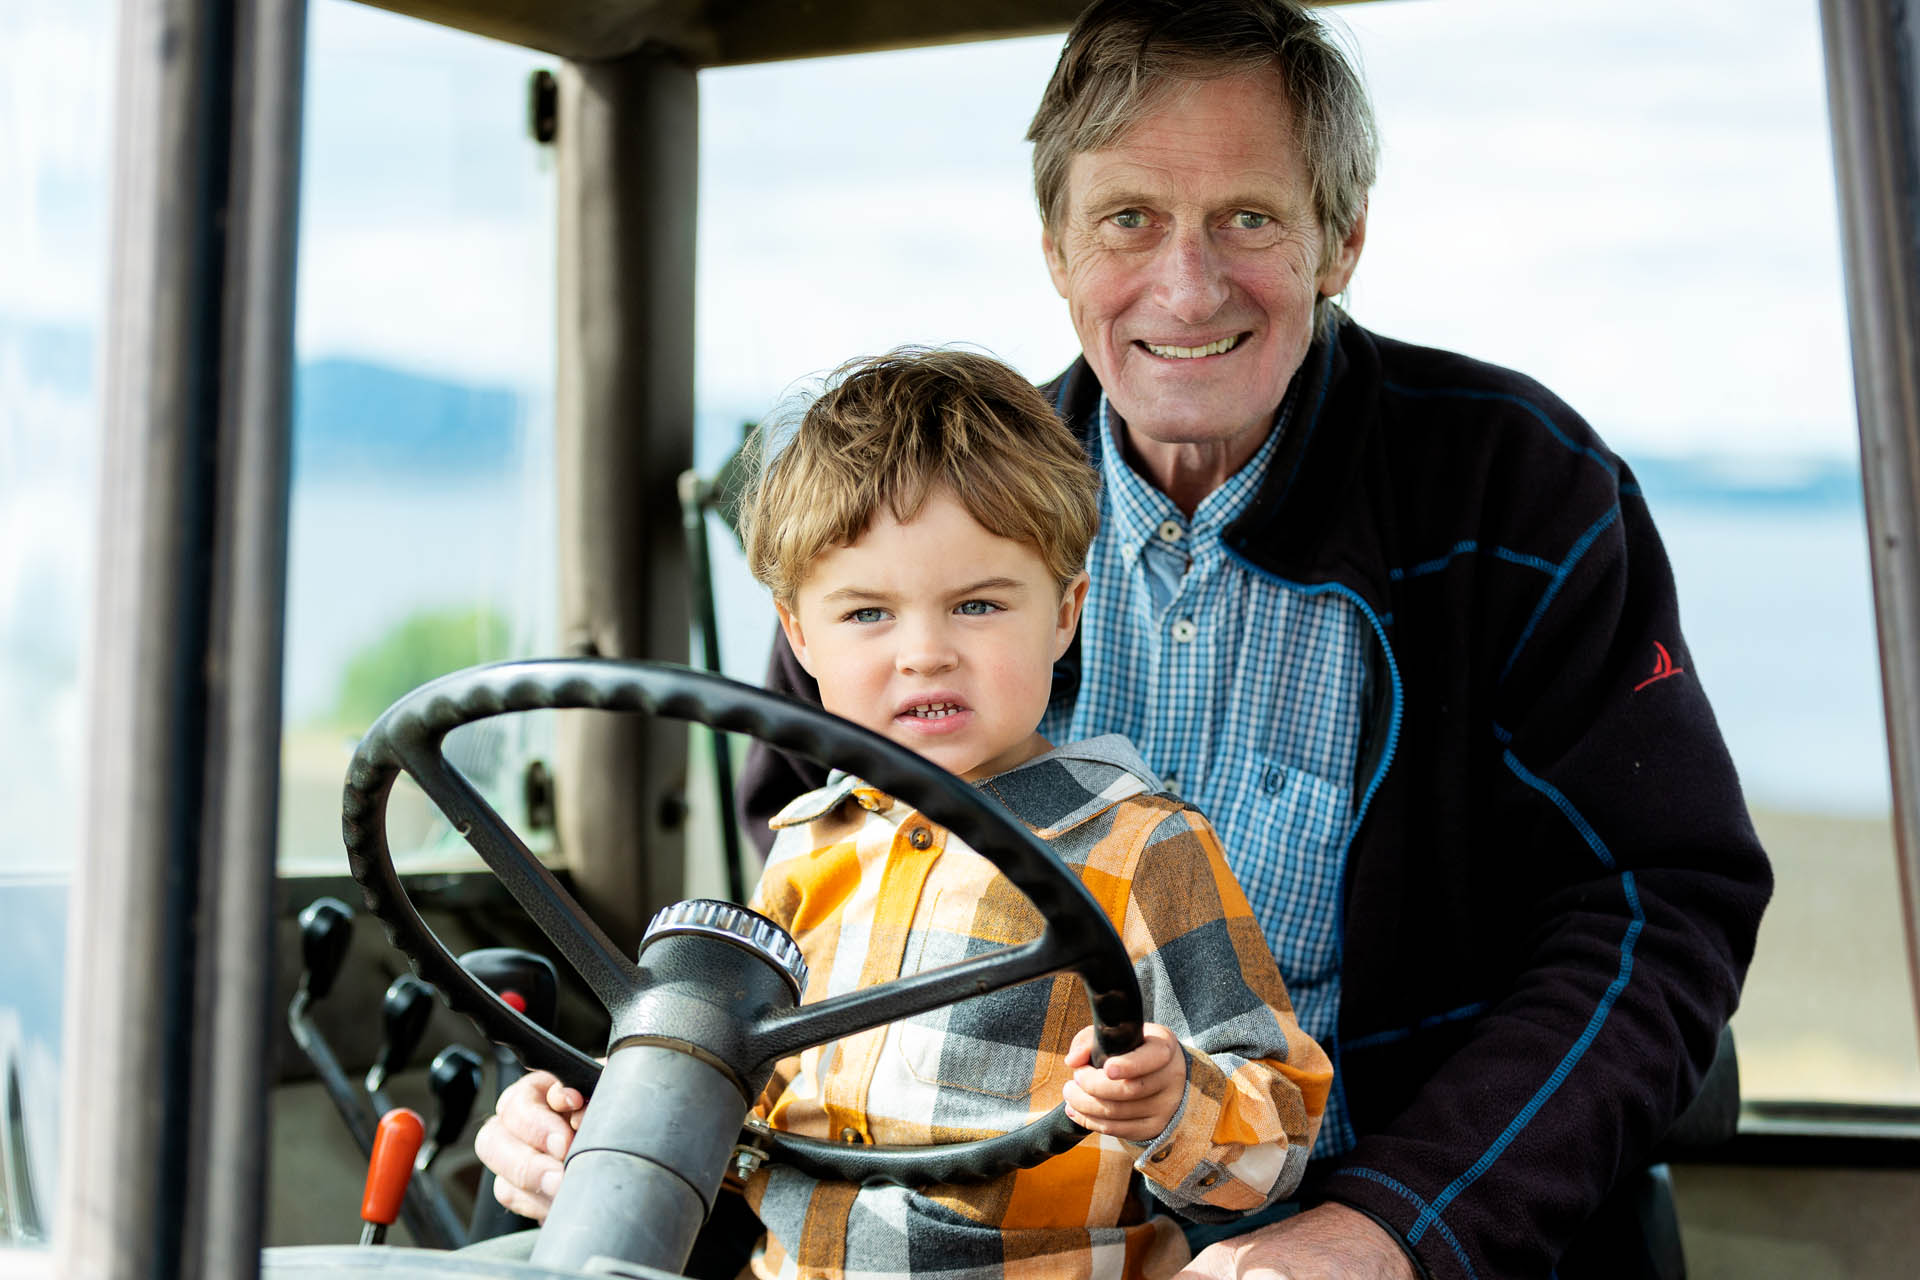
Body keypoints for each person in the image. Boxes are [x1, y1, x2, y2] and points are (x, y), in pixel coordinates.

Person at [487, 3, 1772, 1276]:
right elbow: (813, 966)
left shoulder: (1516, 490)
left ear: (1343, 238)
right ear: (1056, 245)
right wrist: (640, 1127)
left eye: (1249, 220)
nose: (1187, 284)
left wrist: (1391, 1229)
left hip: (1393, 1210)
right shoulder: (919, 532)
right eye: (1128, 220)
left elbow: (1656, 911)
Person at [486, 348, 1334, 1280]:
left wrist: (1175, 1102)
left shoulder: (1141, 848)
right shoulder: (807, 849)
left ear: (1065, 613)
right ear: (798, 633)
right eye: (867, 615)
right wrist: (588, 1134)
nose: (925, 653)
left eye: (976, 604)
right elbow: (731, 1123)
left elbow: (1275, 1138)